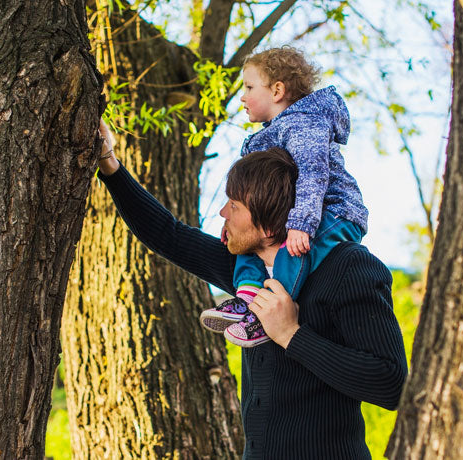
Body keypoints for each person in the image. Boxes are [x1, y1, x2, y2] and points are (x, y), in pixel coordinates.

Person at [96, 121, 407, 459]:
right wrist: (110, 164)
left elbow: (391, 384)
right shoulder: (248, 269)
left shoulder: (349, 267)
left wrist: (291, 334)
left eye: (235, 206)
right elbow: (168, 235)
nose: (222, 212)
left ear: (270, 225)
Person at [199, 46, 369, 348]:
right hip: (296, 216)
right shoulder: (269, 135)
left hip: (333, 212)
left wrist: (301, 224)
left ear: (277, 90)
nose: (242, 96)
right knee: (248, 247)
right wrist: (233, 227)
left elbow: (313, 175)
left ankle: (268, 314)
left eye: (249, 87)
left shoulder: (303, 123)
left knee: (292, 252)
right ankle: (248, 297)